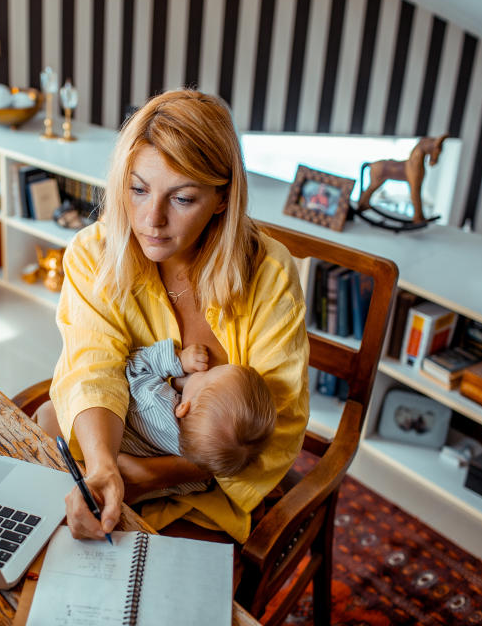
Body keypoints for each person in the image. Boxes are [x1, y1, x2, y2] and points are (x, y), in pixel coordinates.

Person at [41, 88, 310, 544]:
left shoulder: (269, 272)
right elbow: (92, 367)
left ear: (222, 199)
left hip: (213, 490)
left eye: (182, 199)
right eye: (138, 190)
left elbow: (277, 422)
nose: (151, 220)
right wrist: (107, 467)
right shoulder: (94, 252)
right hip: (117, 460)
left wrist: (154, 475)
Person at [120, 338, 277, 500]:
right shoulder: (196, 482)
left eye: (207, 375)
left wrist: (179, 360)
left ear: (183, 407)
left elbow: (129, 366)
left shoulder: (154, 400)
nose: (202, 372)